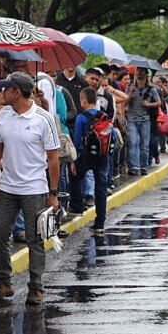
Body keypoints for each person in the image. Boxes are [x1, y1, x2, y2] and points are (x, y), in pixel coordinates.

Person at [0, 72, 60, 307]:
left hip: (34, 188)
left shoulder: (43, 118)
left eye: (6, 89)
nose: (2, 92)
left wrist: (53, 193)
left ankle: (36, 287)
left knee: (34, 239)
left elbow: (53, 158)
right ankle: (3, 283)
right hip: (7, 187)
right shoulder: (3, 116)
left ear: (16, 92)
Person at [70, 87, 110, 235]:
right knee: (101, 188)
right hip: (103, 156)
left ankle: (77, 207)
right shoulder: (104, 116)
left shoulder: (81, 118)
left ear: (84, 101)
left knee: (75, 177)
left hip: (87, 155)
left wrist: (74, 159)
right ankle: (100, 223)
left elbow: (77, 140)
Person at [124, 70, 160, 175]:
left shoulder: (151, 89)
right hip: (132, 119)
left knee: (145, 145)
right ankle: (134, 166)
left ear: (146, 78)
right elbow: (124, 103)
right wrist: (130, 93)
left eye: (142, 78)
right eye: (138, 78)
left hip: (145, 120)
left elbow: (158, 102)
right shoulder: (130, 88)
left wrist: (148, 104)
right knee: (133, 142)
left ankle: (144, 166)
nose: (140, 81)